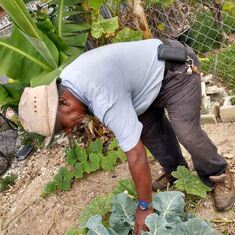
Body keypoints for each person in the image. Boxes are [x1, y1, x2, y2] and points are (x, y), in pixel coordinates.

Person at [18, 39, 235, 234]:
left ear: (64, 102)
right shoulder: (66, 85)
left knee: (186, 131)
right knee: (151, 134)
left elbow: (136, 155)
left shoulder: (99, 93)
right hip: (143, 88)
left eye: (61, 125)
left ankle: (219, 176)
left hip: (176, 70)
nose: (68, 130)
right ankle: (177, 173)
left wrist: (144, 207)